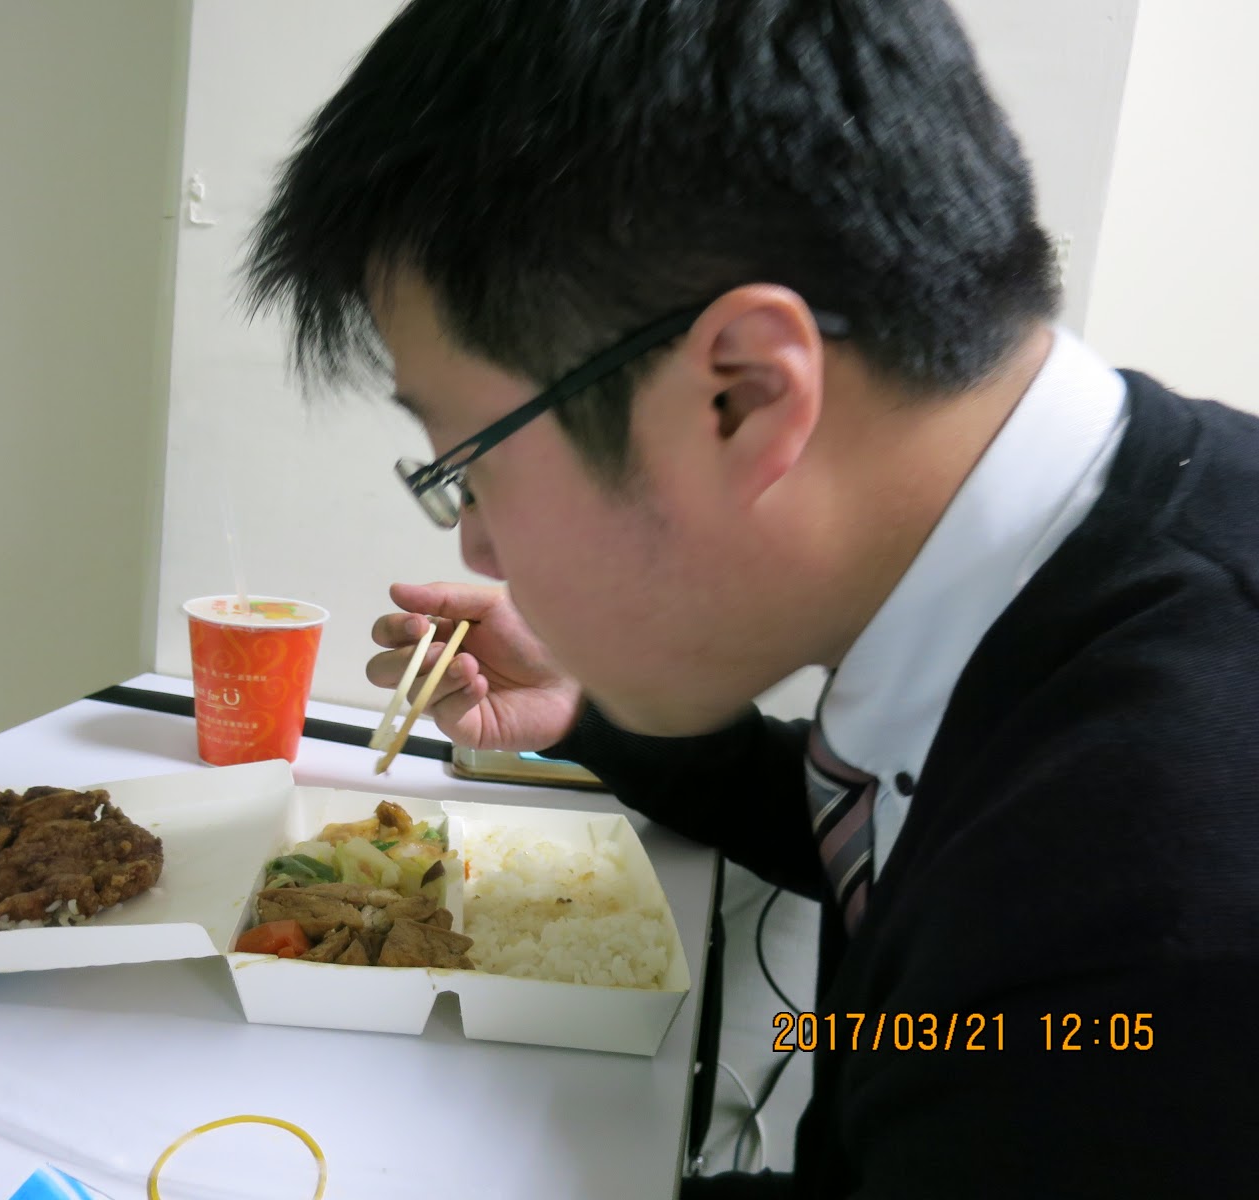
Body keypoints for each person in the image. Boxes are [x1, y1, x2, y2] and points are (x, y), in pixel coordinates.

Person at [241, 0, 1259, 1194]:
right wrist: (588, 714)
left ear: (739, 397)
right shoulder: (1086, 563)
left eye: (469, 463)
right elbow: (923, 828)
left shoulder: (1152, 925)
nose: (480, 543)